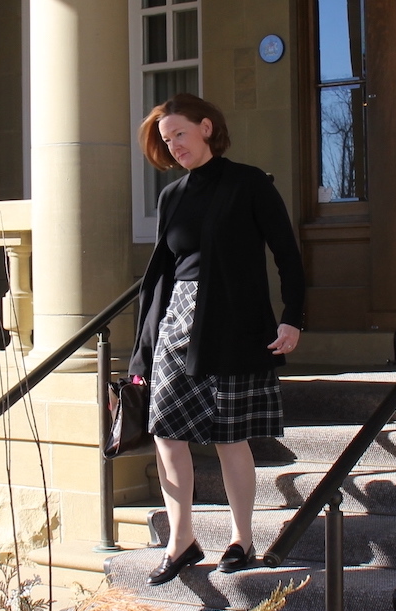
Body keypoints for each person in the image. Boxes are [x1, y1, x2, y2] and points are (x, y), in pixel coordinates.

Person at [130, 93, 305, 586]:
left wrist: (292, 317)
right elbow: (161, 276)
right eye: (167, 141)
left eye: (180, 134)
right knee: (166, 430)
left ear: (207, 127)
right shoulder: (172, 197)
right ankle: (181, 539)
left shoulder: (249, 183)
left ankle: (241, 539)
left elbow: (286, 253)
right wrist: (143, 348)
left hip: (233, 320)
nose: (174, 147)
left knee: (230, 437)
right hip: (177, 323)